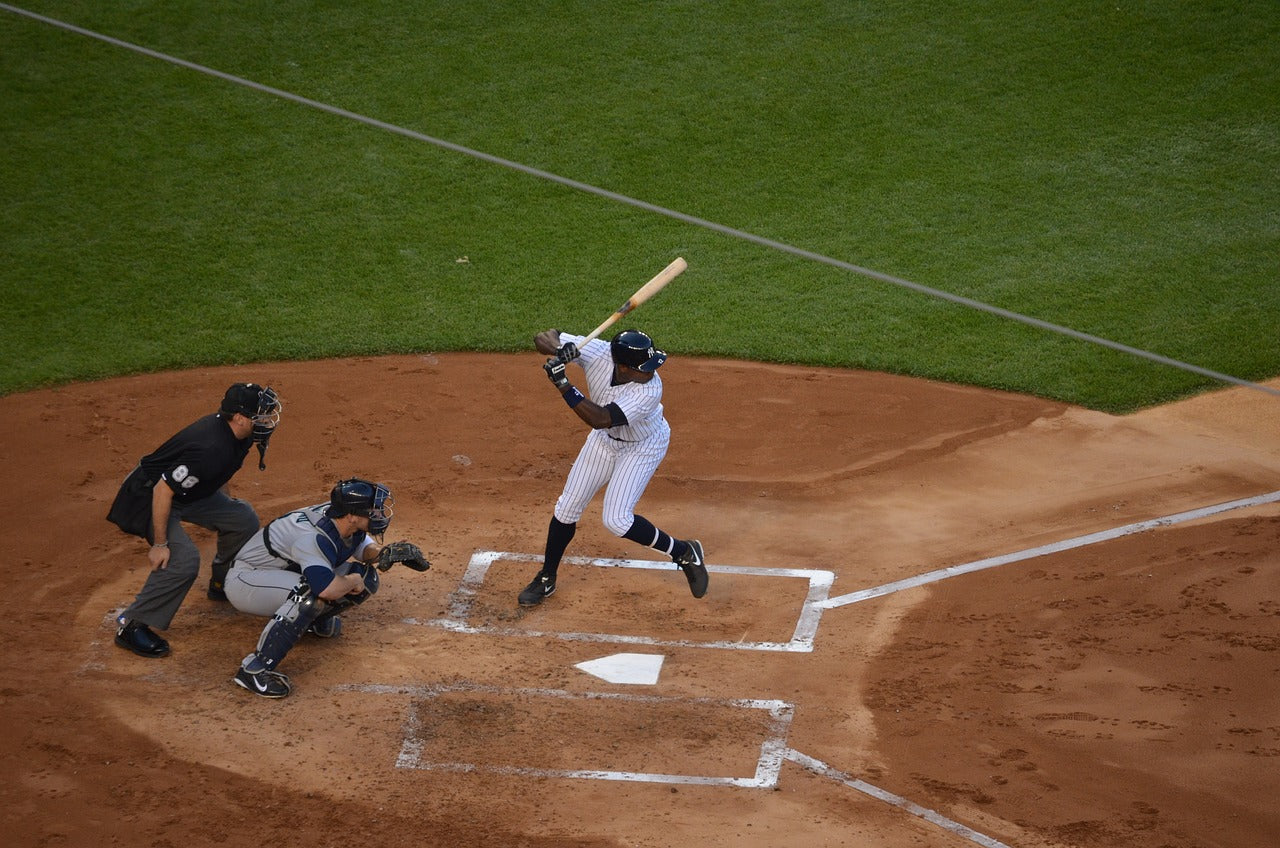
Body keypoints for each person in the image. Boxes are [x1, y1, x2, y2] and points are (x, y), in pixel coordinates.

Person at [518, 327, 707, 607]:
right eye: (643, 367)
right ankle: (547, 577)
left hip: (642, 446)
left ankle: (683, 551)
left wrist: (564, 385)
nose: (651, 372)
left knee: (617, 520)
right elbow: (543, 337)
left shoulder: (649, 390)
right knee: (566, 508)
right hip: (604, 443)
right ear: (621, 366)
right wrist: (560, 349)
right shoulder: (598, 352)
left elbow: (602, 418)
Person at [107, 382, 282, 658]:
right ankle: (132, 625)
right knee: (183, 559)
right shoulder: (209, 447)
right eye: (260, 414)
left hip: (189, 493)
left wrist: (225, 507)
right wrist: (161, 544)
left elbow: (220, 472)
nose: (267, 419)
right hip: (148, 496)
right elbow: (163, 490)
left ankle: (222, 583)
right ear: (239, 418)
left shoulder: (242, 436)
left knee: (241, 518)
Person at [225, 478, 430, 698]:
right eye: (374, 510)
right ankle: (255, 669)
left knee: (366, 577)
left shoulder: (342, 519)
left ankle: (309, 622)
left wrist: (384, 554)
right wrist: (352, 581)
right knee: (310, 595)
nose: (379, 514)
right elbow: (327, 590)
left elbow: (361, 547)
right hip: (247, 580)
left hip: (286, 570)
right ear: (352, 515)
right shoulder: (312, 538)